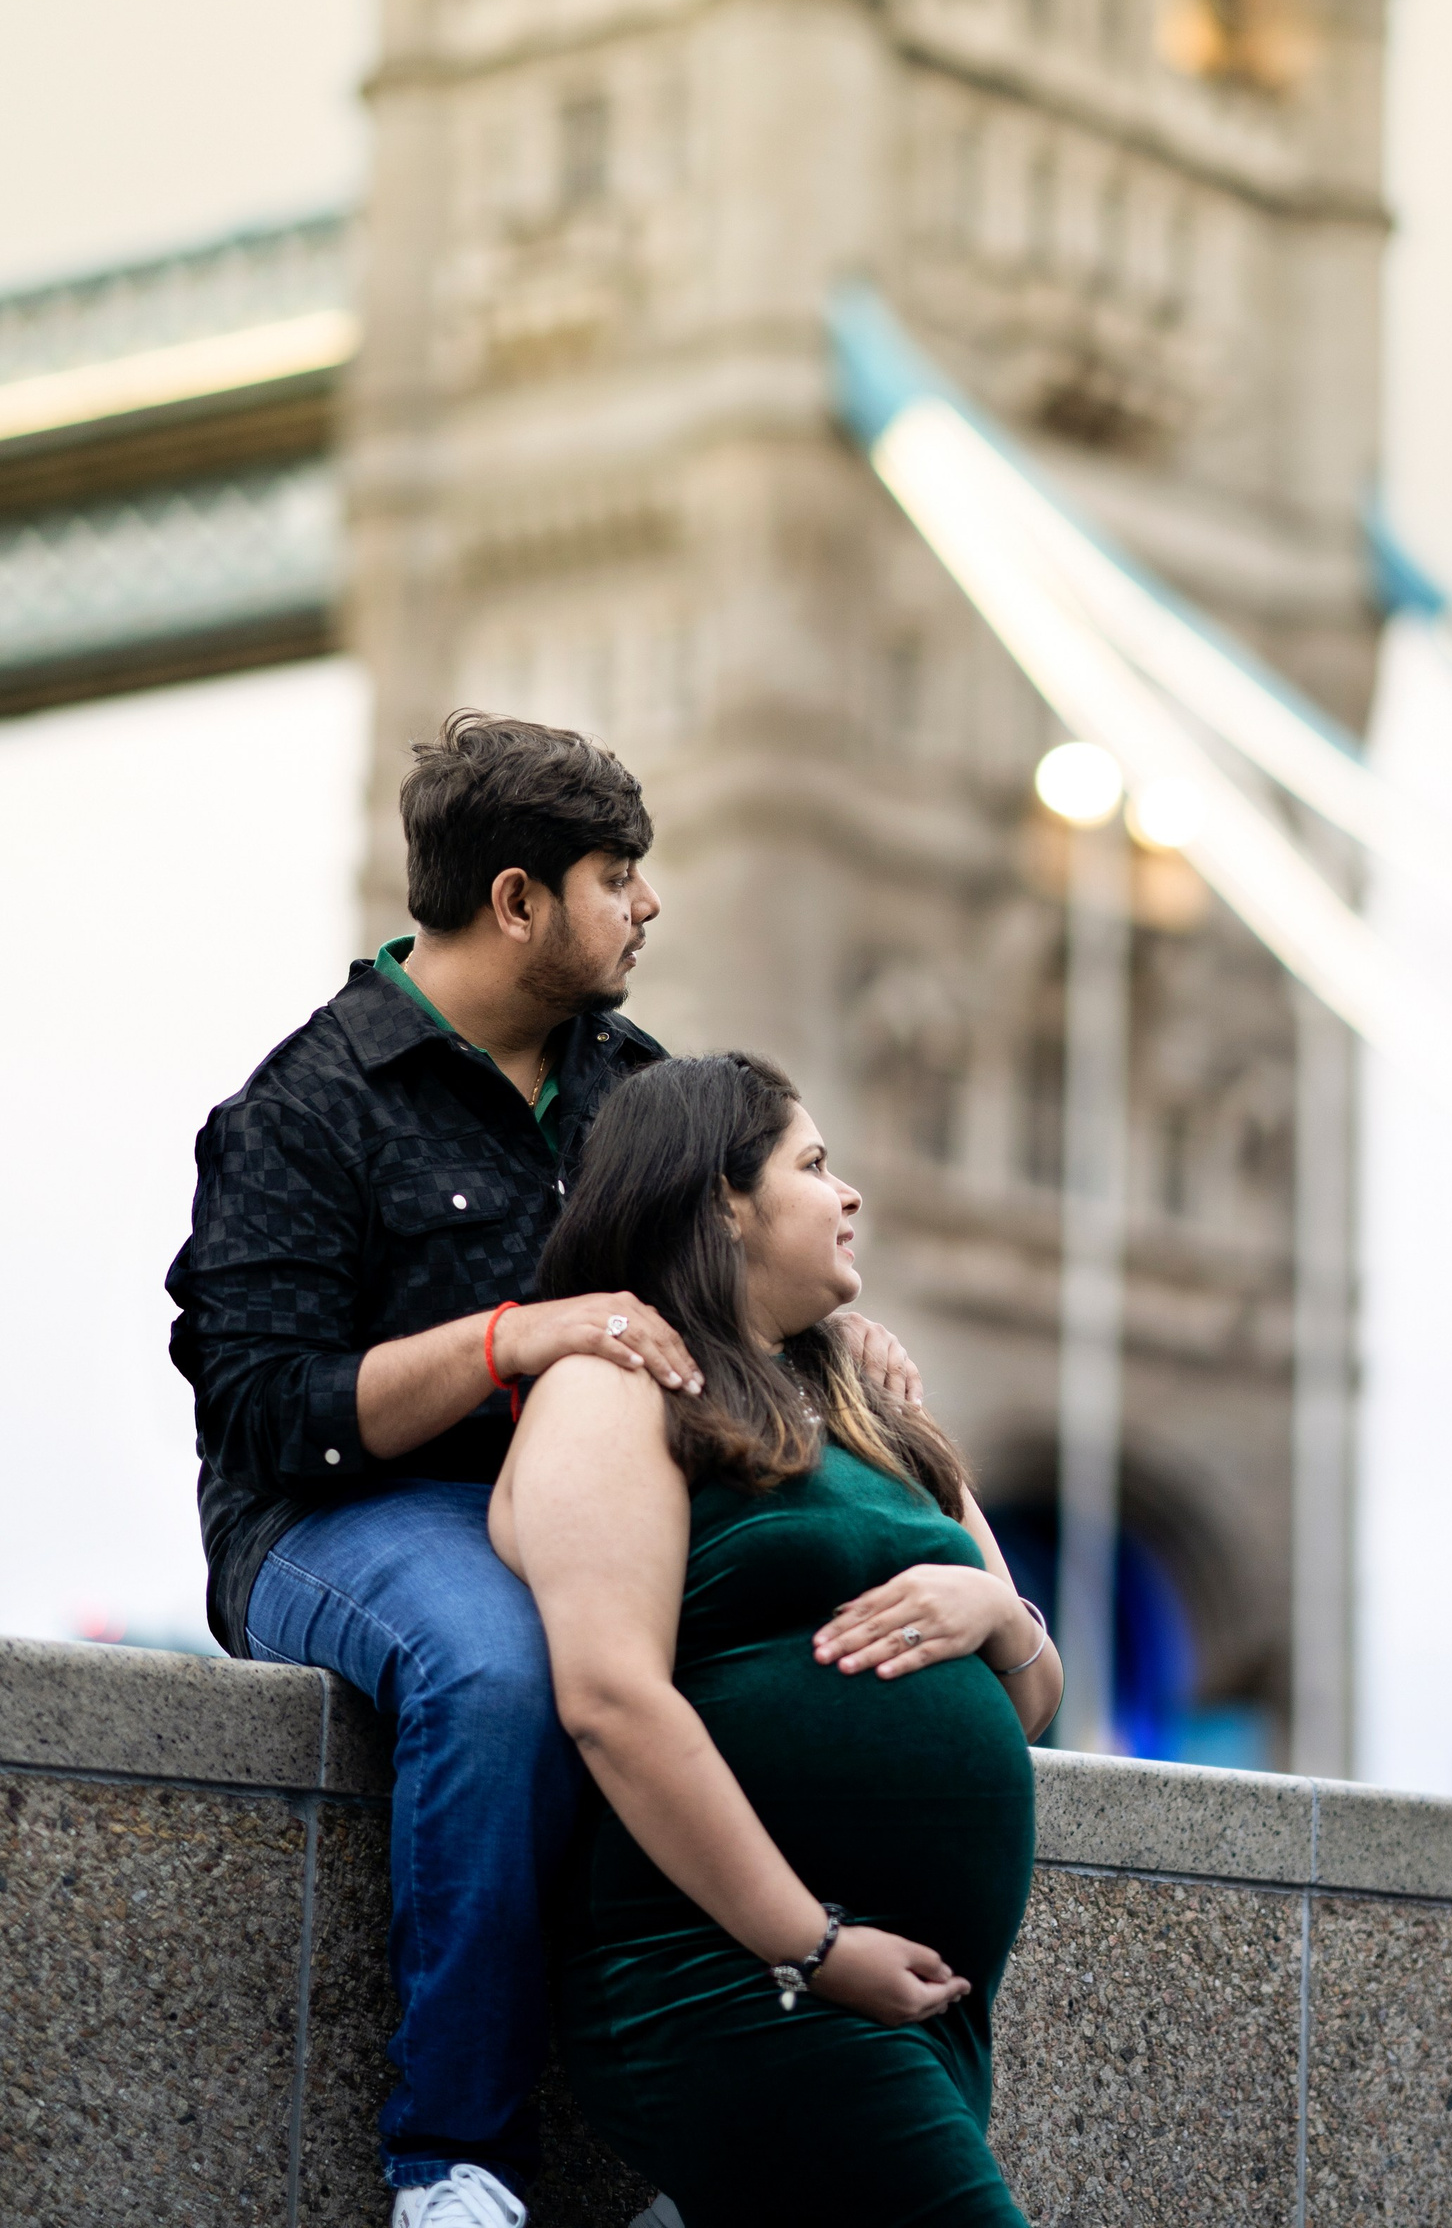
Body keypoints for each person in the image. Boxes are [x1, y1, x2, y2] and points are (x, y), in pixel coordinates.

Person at [166, 713, 921, 2228]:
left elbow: (731, 1273)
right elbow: (262, 1409)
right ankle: (454, 2167)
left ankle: (733, 2148)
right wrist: (508, 1338)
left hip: (590, 1512)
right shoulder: (306, 1106)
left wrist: (842, 1332)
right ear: (517, 901)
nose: (649, 904)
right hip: (339, 1519)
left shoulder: (637, 1087)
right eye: (616, 877)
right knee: (504, 1668)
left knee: (791, 1659)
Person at [492, 1049, 1062, 2228]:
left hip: (919, 1995)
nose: (849, 1193)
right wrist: (813, 1945)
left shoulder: (873, 1407)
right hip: (738, 1975)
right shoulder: (615, 1387)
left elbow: (1029, 1699)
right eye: (813, 1165)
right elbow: (609, 1698)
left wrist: (997, 1616)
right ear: (724, 1203)